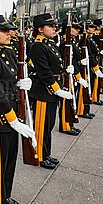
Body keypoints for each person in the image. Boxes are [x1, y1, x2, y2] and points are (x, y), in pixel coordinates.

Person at [0, 15, 36, 204]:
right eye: (4, 31)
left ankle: (4, 195)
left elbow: (15, 77)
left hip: (12, 116)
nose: (9, 34)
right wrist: (12, 119)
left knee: (9, 161)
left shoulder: (8, 52)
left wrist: (24, 82)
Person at [29, 13, 73, 170]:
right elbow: (44, 72)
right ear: (40, 29)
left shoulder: (49, 44)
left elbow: (55, 66)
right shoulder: (38, 46)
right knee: (42, 126)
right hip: (44, 91)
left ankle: (46, 153)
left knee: (49, 125)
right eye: (50, 26)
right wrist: (57, 89)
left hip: (52, 90)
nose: (54, 28)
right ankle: (39, 156)